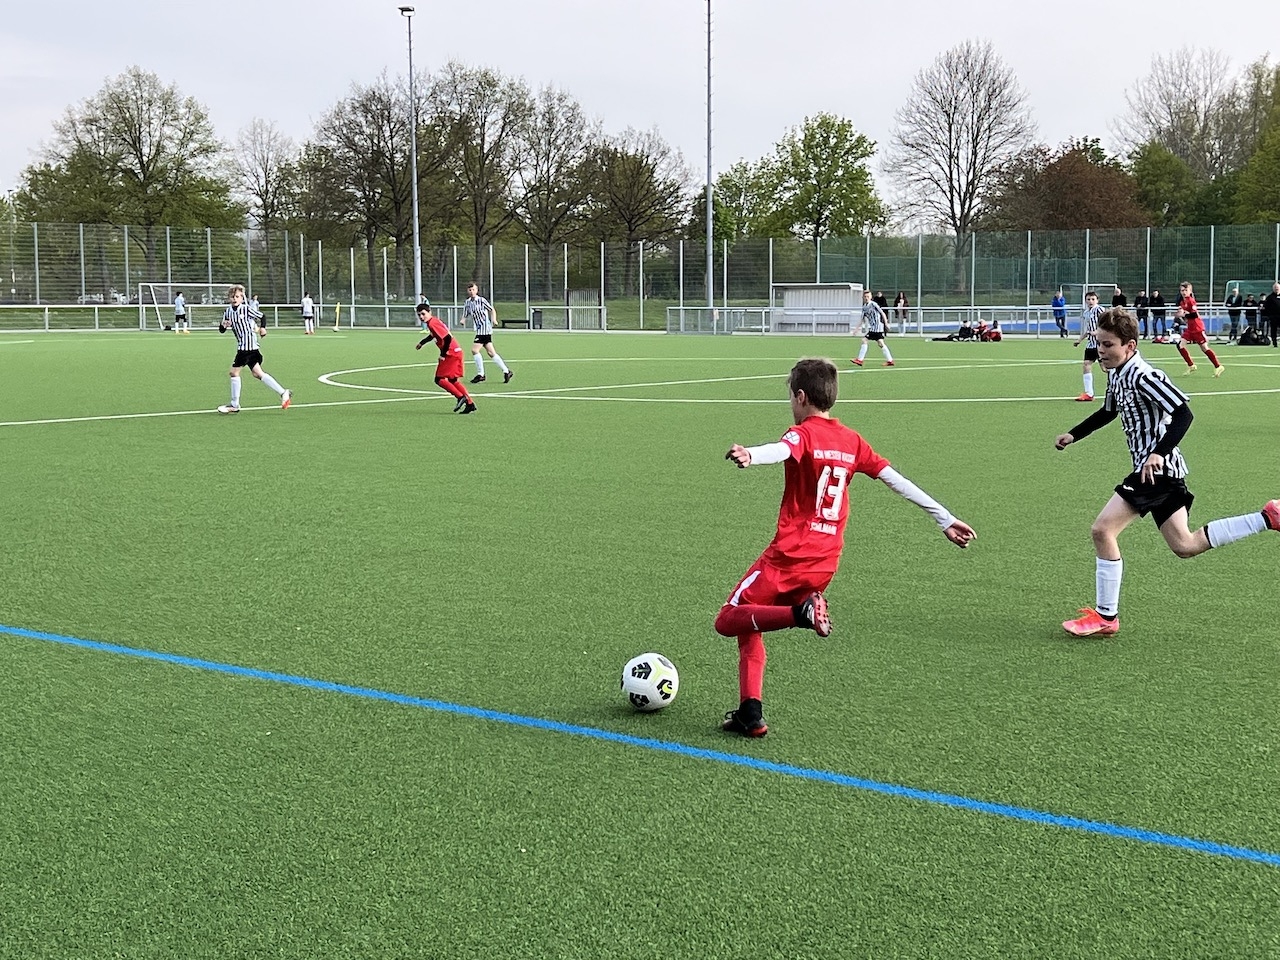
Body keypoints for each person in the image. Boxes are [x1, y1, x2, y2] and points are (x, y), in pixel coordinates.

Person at [716, 357, 976, 736]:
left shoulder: (802, 434)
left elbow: (782, 449)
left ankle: (801, 614)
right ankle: (750, 713)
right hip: (825, 562)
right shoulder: (852, 441)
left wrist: (751, 455)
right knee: (752, 618)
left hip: (789, 555)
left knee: (728, 618)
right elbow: (896, 480)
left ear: (800, 397)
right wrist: (945, 518)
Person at [1054, 309, 1279, 638]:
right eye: (1099, 343)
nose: (1101, 350)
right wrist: (1074, 434)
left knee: (1102, 530)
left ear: (1130, 346)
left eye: (1108, 344)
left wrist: (1157, 454)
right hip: (1160, 472)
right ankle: (1268, 518)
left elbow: (1184, 414)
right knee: (1185, 545)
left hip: (1156, 472)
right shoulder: (1116, 374)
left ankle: (1106, 616)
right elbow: (1108, 412)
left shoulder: (1145, 376)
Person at [216, 284, 292, 414]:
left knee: (234, 372)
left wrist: (263, 328)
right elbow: (222, 330)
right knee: (258, 373)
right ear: (229, 298)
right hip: (246, 347)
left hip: (248, 347)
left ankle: (234, 405)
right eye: (232, 296)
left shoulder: (246, 309)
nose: (235, 299)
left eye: (238, 296)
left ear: (242, 298)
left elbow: (262, 316)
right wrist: (223, 325)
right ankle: (283, 392)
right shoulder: (228, 312)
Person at [415, 300, 476, 413]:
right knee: (453, 380)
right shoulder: (433, 322)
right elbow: (433, 335)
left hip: (450, 353)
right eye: (419, 315)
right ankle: (470, 404)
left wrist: (443, 355)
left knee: (439, 379)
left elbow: (447, 338)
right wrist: (422, 343)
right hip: (456, 351)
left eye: (423, 314)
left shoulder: (432, 323)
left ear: (429, 312)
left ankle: (460, 397)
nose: (421, 317)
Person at [462, 281, 512, 384]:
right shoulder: (468, 302)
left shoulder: (481, 300)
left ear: (477, 290)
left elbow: (491, 310)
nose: (472, 291)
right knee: (491, 353)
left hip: (484, 328)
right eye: (470, 290)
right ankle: (507, 371)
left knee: (475, 350)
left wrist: (494, 319)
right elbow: (466, 313)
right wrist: (463, 320)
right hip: (479, 329)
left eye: (473, 289)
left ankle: (481, 374)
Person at [1173, 281, 1224, 376]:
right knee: (1180, 345)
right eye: (1182, 290)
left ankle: (1218, 366)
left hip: (1197, 328)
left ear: (1190, 291)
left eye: (1186, 290)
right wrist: (1180, 314)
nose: (1184, 292)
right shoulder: (1182, 302)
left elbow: (1194, 315)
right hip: (1190, 328)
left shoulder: (1191, 301)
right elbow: (1186, 314)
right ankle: (1191, 365)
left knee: (1204, 348)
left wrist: (1183, 314)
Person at [1072, 291, 1105, 402]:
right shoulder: (1086, 312)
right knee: (1086, 364)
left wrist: (1098, 332)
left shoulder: (1100, 310)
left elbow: (1108, 325)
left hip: (1101, 343)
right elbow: (1088, 329)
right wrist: (1080, 340)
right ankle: (1089, 394)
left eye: (1093, 299)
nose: (1090, 301)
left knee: (1105, 369)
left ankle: (1124, 386)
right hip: (1091, 344)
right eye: (1088, 299)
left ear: (1097, 300)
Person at [852, 290, 894, 367]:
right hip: (875, 328)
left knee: (864, 340)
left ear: (871, 297)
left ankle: (860, 360)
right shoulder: (864, 307)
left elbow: (882, 313)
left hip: (876, 327)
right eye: (865, 296)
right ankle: (890, 360)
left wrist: (886, 323)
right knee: (880, 343)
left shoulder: (874, 304)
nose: (866, 298)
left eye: (868, 296)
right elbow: (862, 319)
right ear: (863, 297)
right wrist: (856, 329)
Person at [1264, 282, 1280, 349]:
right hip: (1273, 317)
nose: (1276, 289)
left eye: (1277, 288)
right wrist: (1269, 316)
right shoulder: (1270, 297)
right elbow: (1266, 307)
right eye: (1275, 288)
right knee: (1273, 331)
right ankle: (1274, 343)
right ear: (1273, 289)